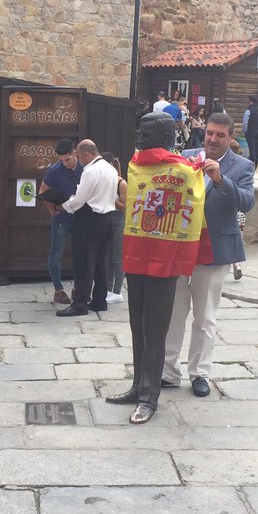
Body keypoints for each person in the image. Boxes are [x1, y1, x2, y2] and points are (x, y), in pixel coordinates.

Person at [106, 112, 205, 424]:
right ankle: (138, 386)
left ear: (164, 137)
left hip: (164, 259)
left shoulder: (183, 170)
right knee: (137, 325)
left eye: (146, 134)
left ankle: (150, 396)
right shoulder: (137, 165)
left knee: (155, 330)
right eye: (140, 132)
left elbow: (193, 201)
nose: (140, 138)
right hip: (138, 254)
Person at [163, 112, 255, 396]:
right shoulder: (185, 156)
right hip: (180, 246)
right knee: (173, 313)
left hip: (214, 249)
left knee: (204, 317)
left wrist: (220, 180)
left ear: (230, 138)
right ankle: (168, 371)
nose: (213, 139)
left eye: (220, 135)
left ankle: (200, 374)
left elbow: (247, 202)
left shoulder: (242, 166)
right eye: (210, 133)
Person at [52, 140, 118, 318]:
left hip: (89, 218)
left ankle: (80, 303)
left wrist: (62, 206)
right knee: (100, 261)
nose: (79, 161)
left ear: (86, 154)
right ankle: (100, 300)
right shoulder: (111, 169)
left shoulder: (90, 171)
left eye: (79, 157)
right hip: (107, 217)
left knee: (83, 262)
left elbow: (79, 200)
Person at [38, 139, 82, 305]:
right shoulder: (55, 171)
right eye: (61, 160)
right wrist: (51, 209)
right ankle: (58, 289)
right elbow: (42, 191)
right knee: (56, 252)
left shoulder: (85, 168)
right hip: (62, 216)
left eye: (68, 159)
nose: (65, 163)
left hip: (81, 217)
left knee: (81, 253)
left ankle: (79, 287)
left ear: (75, 153)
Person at [101, 152, 128, 305]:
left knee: (118, 258)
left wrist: (111, 196)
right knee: (108, 258)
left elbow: (124, 207)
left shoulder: (121, 183)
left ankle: (117, 291)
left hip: (118, 220)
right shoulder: (103, 182)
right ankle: (108, 289)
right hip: (107, 220)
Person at [242, 97, 258, 168]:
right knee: (256, 148)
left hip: (250, 132)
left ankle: (252, 164)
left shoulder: (248, 111)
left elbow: (245, 123)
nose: (248, 104)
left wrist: (244, 131)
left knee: (251, 148)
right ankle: (256, 164)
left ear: (251, 101)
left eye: (248, 102)